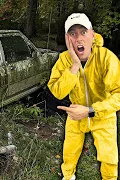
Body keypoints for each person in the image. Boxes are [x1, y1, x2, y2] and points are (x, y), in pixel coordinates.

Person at [47, 13, 120, 180]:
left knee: (109, 160)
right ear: (67, 38)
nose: (78, 38)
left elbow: (118, 94)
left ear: (92, 34)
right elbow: (57, 91)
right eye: (72, 33)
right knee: (69, 154)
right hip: (75, 114)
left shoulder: (107, 58)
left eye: (83, 32)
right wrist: (74, 66)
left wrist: (90, 110)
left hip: (103, 116)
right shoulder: (64, 60)